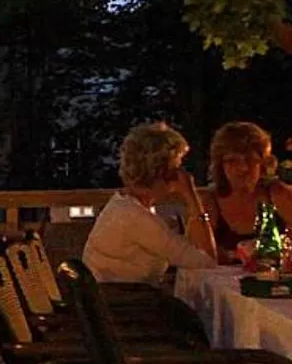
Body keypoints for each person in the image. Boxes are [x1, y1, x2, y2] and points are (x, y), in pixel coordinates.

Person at [83, 122, 218, 285]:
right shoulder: (135, 218)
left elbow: (186, 250)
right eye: (177, 166)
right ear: (162, 171)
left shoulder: (123, 206)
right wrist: (191, 196)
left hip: (115, 302)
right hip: (128, 306)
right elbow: (207, 262)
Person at [204, 121, 292, 265]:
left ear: (263, 163)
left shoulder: (275, 193)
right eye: (233, 161)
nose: (242, 168)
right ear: (220, 166)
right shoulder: (210, 201)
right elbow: (198, 252)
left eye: (250, 160)